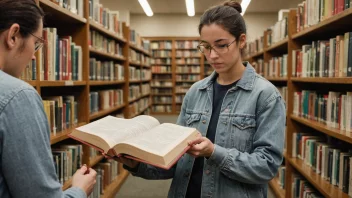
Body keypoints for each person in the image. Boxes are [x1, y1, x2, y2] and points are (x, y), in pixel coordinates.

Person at [115, 1, 286, 197]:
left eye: (221, 45)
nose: (212, 55)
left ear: (242, 41)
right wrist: (136, 164)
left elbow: (267, 167)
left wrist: (214, 152)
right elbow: (175, 160)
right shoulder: (196, 92)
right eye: (205, 47)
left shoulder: (266, 96)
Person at [0, 0, 97, 197]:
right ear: (13, 36)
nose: (35, 57)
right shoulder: (17, 97)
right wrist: (79, 190)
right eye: (36, 44)